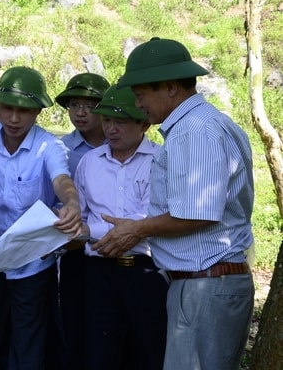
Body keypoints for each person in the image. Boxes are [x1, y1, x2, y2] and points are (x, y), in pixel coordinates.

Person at [94, 37, 255, 370]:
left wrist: (136, 230)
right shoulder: (208, 123)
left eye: (141, 95)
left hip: (205, 284)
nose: (139, 105)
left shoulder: (193, 131)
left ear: (169, 87)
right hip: (205, 283)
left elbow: (198, 213)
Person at [0, 66, 82, 370]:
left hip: (31, 261)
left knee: (28, 337)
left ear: (38, 111)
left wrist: (72, 201)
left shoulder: (49, 146)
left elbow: (61, 179)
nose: (14, 119)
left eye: (24, 111)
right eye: (8, 109)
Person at [74, 85, 167, 370]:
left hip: (147, 272)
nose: (112, 129)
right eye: (107, 121)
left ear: (144, 124)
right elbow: (80, 216)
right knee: (100, 352)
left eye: (121, 121)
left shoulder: (161, 161)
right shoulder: (90, 163)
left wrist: (93, 232)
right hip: (100, 274)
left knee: (148, 352)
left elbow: (159, 216)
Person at [52, 72, 110, 369]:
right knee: (74, 324)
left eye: (89, 105)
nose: (81, 112)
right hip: (75, 248)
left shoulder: (121, 141)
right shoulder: (63, 149)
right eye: (74, 105)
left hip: (115, 248)